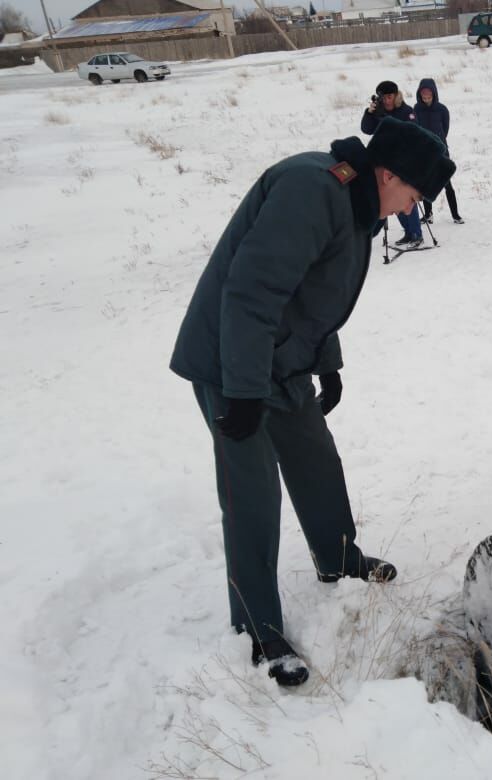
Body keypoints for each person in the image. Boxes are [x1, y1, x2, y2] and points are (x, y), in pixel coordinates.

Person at [170, 118, 455, 685]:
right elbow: (252, 293)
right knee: (252, 494)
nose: (411, 208)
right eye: (414, 196)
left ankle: (339, 558)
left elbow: (319, 296)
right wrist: (245, 392)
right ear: (389, 173)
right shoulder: (311, 190)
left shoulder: (355, 203)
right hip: (232, 361)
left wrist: (328, 364)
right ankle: (256, 627)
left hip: (283, 360)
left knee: (316, 461)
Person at [361, 80, 424, 247]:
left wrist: (384, 119)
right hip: (385, 162)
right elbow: (366, 129)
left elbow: (411, 133)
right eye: (385, 97)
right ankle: (408, 233)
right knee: (393, 199)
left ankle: (417, 233)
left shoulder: (406, 111)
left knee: (407, 198)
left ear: (396, 95)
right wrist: (369, 113)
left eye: (390, 96)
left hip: (405, 160)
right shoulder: (378, 111)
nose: (387, 100)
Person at [414, 78, 464, 225]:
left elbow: (445, 129)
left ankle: (455, 215)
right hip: (424, 152)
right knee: (426, 184)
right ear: (420, 93)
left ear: (434, 93)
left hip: (441, 151)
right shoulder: (416, 109)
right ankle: (428, 214)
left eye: (428, 93)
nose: (426, 96)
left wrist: (439, 142)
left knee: (447, 184)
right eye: (423, 93)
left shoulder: (442, 109)